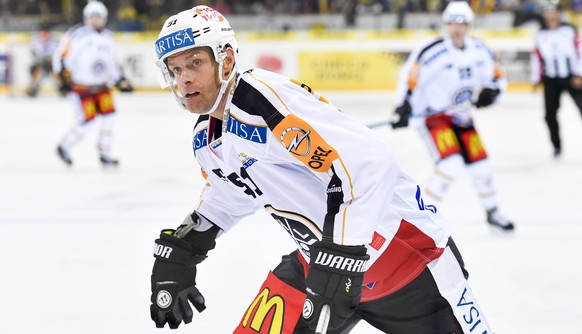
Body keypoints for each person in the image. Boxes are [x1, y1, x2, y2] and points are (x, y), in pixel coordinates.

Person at [149, 5, 494, 333]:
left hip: (407, 262)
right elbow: (228, 195)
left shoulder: (264, 101)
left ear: (225, 61)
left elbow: (369, 165)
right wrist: (186, 246)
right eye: (176, 69)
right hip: (319, 265)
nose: (185, 79)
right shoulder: (206, 138)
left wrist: (342, 253)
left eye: (195, 63)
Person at [391, 1, 515, 231]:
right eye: (452, 22)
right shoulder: (433, 49)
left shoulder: (480, 50)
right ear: (446, 24)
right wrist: (402, 106)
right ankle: (421, 220)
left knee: (482, 166)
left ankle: (493, 211)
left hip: (463, 119)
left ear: (468, 24)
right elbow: (410, 77)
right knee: (450, 164)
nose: (456, 28)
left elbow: (497, 76)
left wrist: (493, 92)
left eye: (461, 23)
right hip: (435, 118)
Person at [52, 0, 133, 167]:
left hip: (102, 87)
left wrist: (120, 79)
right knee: (88, 122)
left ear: (104, 18)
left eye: (98, 17)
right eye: (92, 17)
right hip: (82, 88)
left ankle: (105, 153)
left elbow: (113, 63)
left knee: (109, 117)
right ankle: (64, 146)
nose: (95, 20)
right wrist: (62, 77)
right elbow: (60, 56)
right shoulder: (76, 34)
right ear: (86, 17)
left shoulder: (109, 38)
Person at [531, 1, 582, 158]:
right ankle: (557, 146)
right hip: (551, 78)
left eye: (553, 11)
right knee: (549, 114)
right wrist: (535, 79)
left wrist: (579, 74)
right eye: (547, 11)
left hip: (571, 76)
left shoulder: (569, 30)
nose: (551, 14)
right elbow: (537, 57)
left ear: (559, 13)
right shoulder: (540, 34)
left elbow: (580, 51)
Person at [25, 27, 59, 97]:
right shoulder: (35, 41)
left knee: (58, 72)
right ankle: (32, 88)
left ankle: (62, 88)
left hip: (52, 63)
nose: (44, 36)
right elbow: (33, 53)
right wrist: (40, 61)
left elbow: (57, 53)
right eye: (43, 34)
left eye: (46, 34)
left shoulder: (55, 41)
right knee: (35, 71)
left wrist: (51, 60)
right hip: (40, 63)